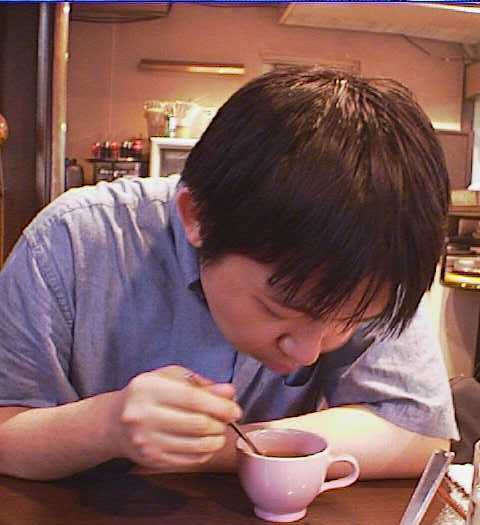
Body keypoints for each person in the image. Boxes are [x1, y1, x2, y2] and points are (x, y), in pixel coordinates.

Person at [0, 66, 457, 481]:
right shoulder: (75, 239)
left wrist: (217, 448)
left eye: (350, 321)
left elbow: (421, 436)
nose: (308, 352)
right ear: (197, 218)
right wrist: (106, 425)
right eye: (281, 309)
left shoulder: (376, 251)